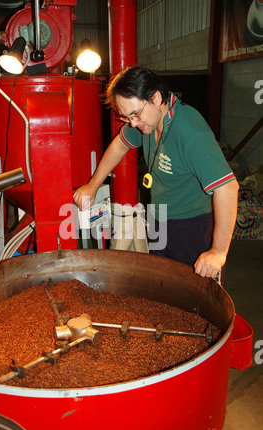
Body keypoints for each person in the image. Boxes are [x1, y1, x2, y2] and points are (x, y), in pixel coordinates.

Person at [73, 66, 239, 279]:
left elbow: (227, 187)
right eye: (126, 118)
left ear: (156, 97)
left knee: (198, 297)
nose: (133, 123)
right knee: (166, 291)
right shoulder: (147, 123)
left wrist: (218, 251)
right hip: (159, 219)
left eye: (135, 114)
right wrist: (93, 184)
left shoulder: (190, 131)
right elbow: (119, 145)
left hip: (192, 226)